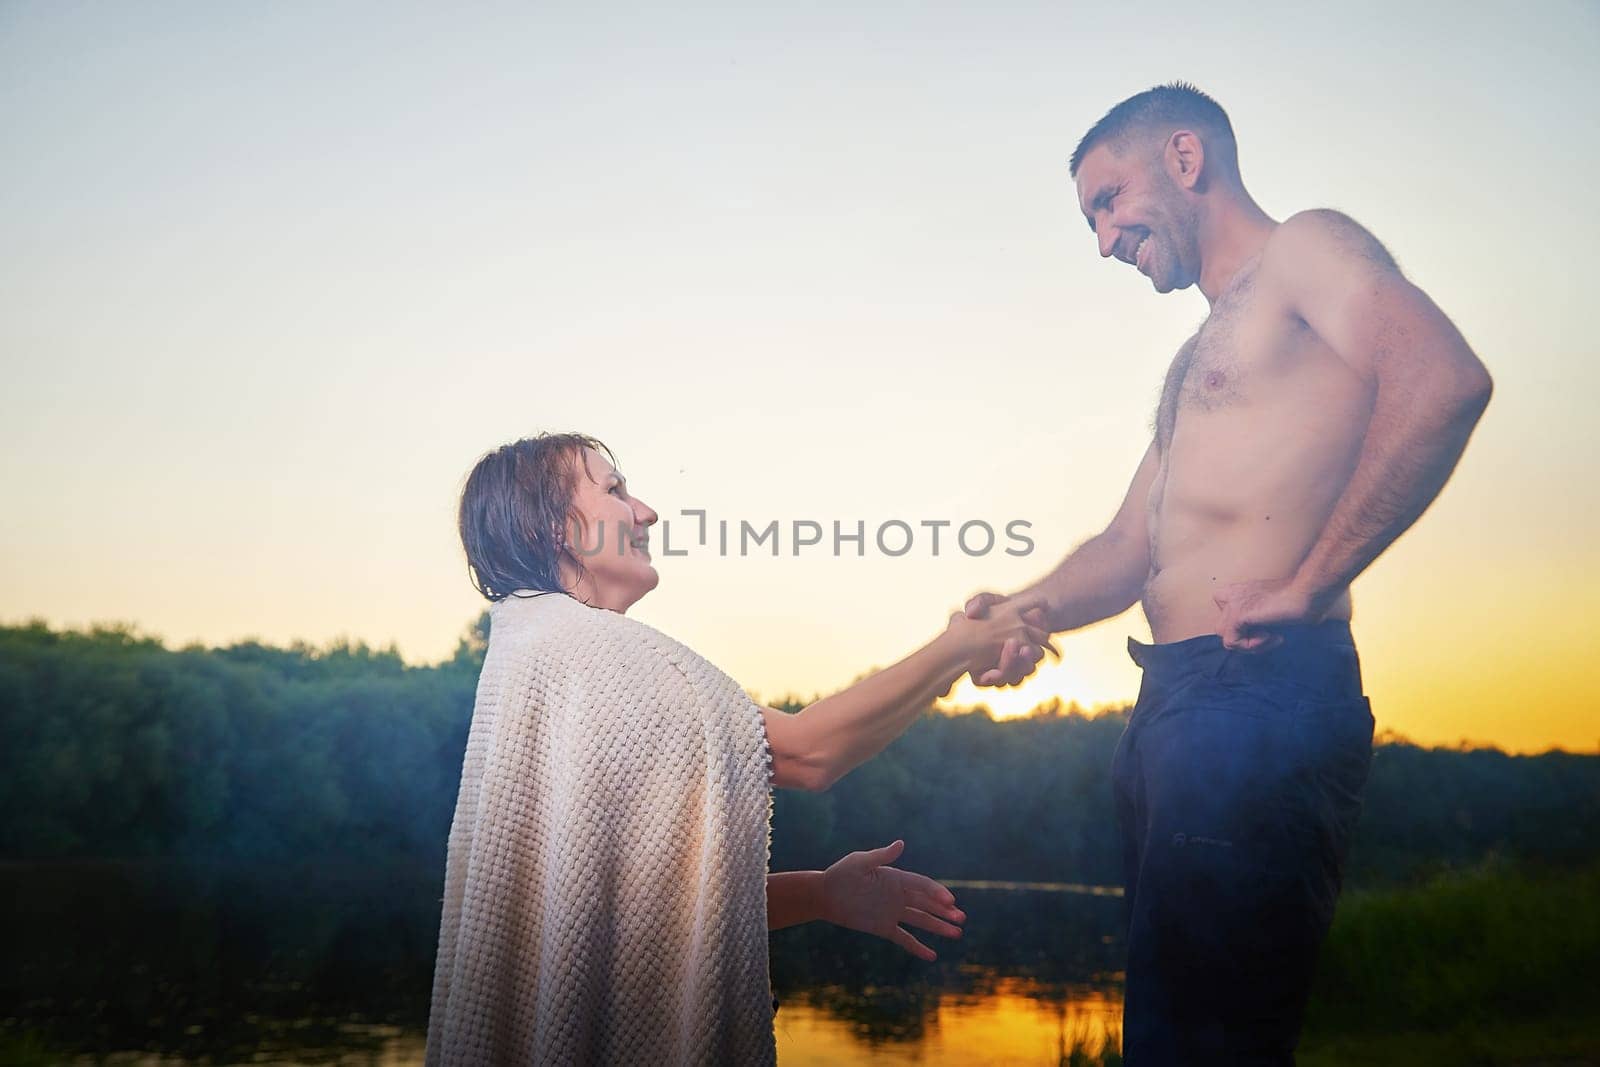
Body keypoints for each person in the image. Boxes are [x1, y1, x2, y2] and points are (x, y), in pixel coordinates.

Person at [965, 83, 1493, 1065]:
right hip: (1173, 706)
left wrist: (1308, 582)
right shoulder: (1198, 355)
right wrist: (1025, 608)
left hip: (1257, 696)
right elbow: (1130, 546)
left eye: (1108, 199)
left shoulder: (1306, 249)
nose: (1104, 237)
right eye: (1091, 217)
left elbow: (1443, 378)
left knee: (1210, 1042)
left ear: (1183, 156)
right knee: (1171, 1030)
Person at [426, 432, 1050, 1067]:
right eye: (613, 490)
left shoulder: (536, 657)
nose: (646, 512)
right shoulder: (593, 657)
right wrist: (959, 649)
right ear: (550, 528)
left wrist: (822, 896)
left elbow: (636, 917)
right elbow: (809, 753)